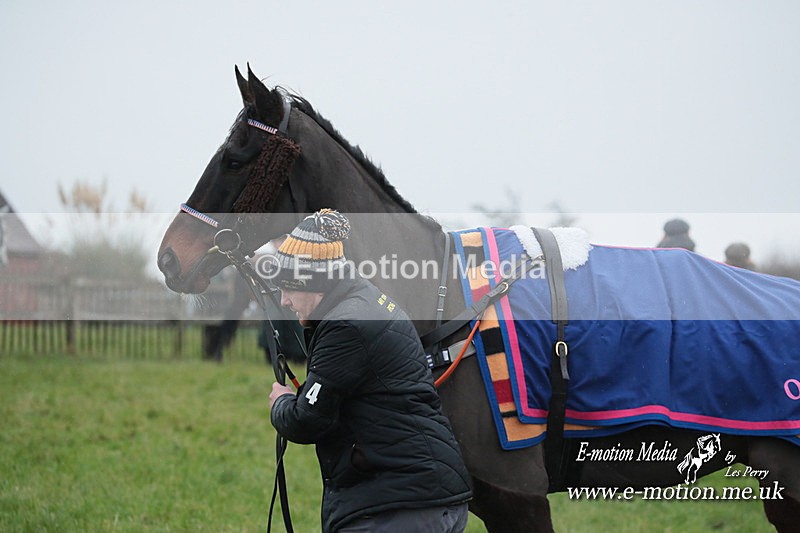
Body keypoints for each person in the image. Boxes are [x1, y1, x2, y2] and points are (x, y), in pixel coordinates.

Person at [267, 209, 472, 533]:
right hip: (426, 496)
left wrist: (280, 403)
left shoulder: (344, 325)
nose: (285, 302)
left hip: (400, 505)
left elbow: (307, 420)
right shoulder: (365, 301)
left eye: (288, 288)